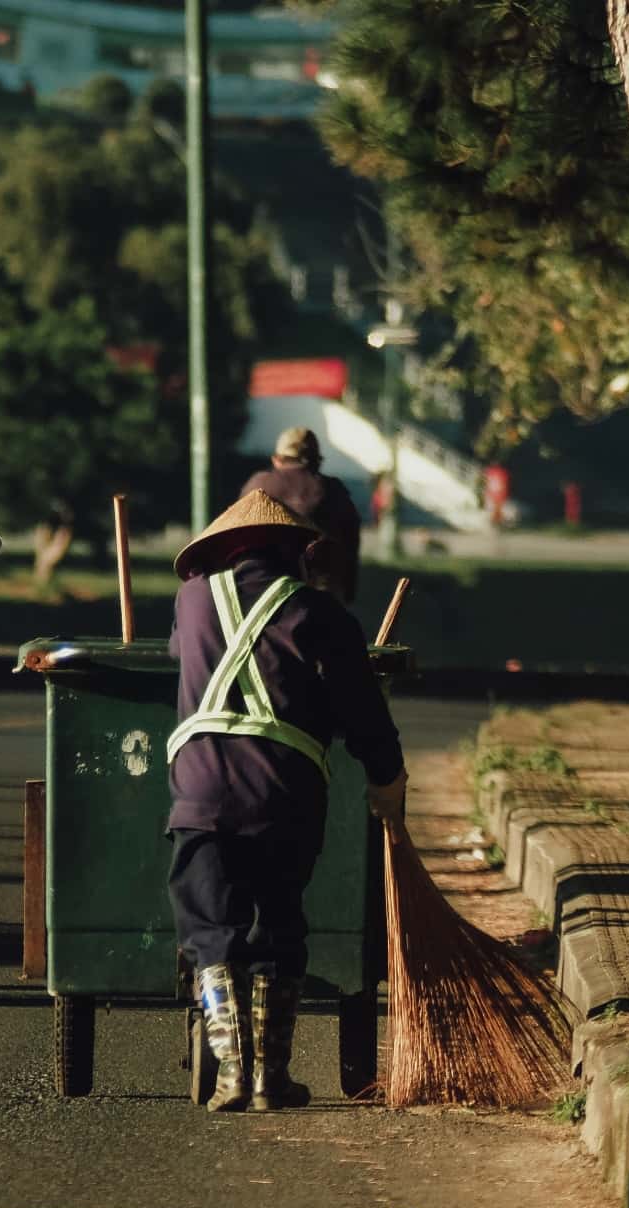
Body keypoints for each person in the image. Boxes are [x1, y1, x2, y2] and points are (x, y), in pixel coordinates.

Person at [164, 489, 405, 1115]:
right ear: (298, 552)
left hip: (200, 796)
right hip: (284, 796)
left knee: (211, 930)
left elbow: (179, 661)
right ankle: (271, 1079)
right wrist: (388, 780)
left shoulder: (191, 601)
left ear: (225, 551)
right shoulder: (322, 614)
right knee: (276, 923)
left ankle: (230, 1076)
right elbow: (362, 712)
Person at [238, 426, 363, 606]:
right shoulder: (334, 491)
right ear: (317, 461)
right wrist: (348, 592)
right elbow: (351, 544)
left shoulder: (256, 486)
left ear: (277, 459)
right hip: (320, 597)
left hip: (261, 594)